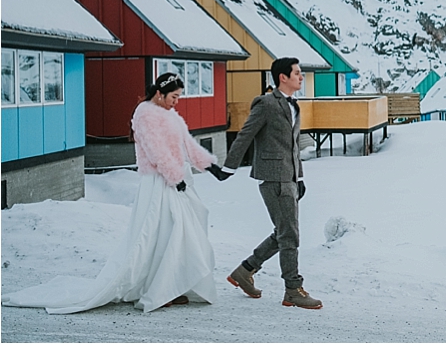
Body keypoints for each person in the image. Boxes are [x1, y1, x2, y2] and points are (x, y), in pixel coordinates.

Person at [3, 72, 225, 313]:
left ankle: (170, 284)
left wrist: (211, 166)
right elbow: (155, 150)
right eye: (174, 96)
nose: (177, 101)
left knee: (178, 232)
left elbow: (187, 143)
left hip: (174, 180)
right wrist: (176, 178)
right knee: (156, 233)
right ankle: (155, 288)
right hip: (158, 182)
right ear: (160, 94)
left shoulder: (169, 114)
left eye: (179, 97)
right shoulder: (145, 114)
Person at [212, 57, 322, 309]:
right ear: (282, 77)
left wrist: (300, 177)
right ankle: (293, 289)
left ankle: (245, 271)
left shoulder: (294, 106)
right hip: (273, 177)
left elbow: (293, 146)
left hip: (290, 177)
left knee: (283, 232)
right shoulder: (266, 104)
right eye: (297, 73)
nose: (301, 77)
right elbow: (245, 135)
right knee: (290, 235)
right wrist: (228, 167)